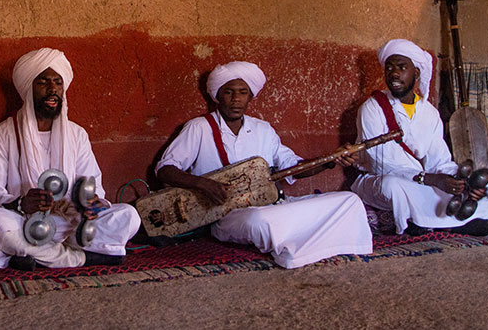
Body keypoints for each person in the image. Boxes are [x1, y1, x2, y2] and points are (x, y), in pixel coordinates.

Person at [155, 61, 372, 269]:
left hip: (271, 206)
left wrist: (330, 161)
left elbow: (293, 166)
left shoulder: (263, 130)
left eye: (243, 92)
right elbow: (165, 169)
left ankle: (311, 245)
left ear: (250, 97)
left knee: (349, 201)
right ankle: (304, 245)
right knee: (259, 220)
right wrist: (203, 184)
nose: (236, 99)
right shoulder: (199, 127)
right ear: (217, 96)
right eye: (229, 92)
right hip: (226, 217)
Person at [0, 48, 141, 271]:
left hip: (68, 224)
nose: (52, 90)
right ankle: (79, 259)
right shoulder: (3, 134)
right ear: (28, 88)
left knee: (128, 216)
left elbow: (93, 187)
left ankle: (35, 256)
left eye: (58, 82)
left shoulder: (77, 134)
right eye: (43, 83)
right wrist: (21, 203)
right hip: (23, 222)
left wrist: (88, 203)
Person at [353, 39, 488, 236]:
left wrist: (462, 182)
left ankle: (428, 221)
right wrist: (430, 179)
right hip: (383, 179)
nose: (394, 74)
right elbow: (383, 164)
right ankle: (449, 223)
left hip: (423, 182)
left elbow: (439, 161)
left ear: (416, 73)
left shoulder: (429, 113)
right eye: (389, 68)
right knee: (392, 186)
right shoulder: (372, 108)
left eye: (402, 67)